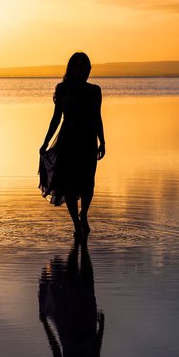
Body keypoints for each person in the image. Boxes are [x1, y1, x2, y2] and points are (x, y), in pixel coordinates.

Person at [39, 52, 105, 240]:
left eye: (84, 66)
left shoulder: (94, 91)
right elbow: (56, 118)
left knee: (87, 182)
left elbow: (97, 117)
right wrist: (45, 141)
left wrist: (103, 141)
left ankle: (83, 213)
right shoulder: (62, 89)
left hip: (88, 140)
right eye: (77, 66)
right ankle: (76, 223)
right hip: (68, 140)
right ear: (71, 68)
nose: (81, 70)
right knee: (68, 184)